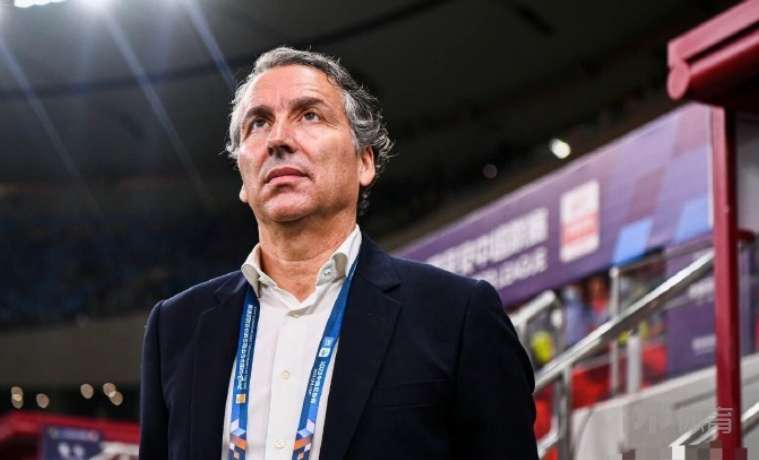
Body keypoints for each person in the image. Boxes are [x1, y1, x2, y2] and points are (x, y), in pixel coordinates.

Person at [138, 46, 537, 460]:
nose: (278, 139)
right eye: (258, 123)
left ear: (365, 162)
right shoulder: (176, 328)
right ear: (242, 178)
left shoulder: (457, 315)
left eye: (309, 115)